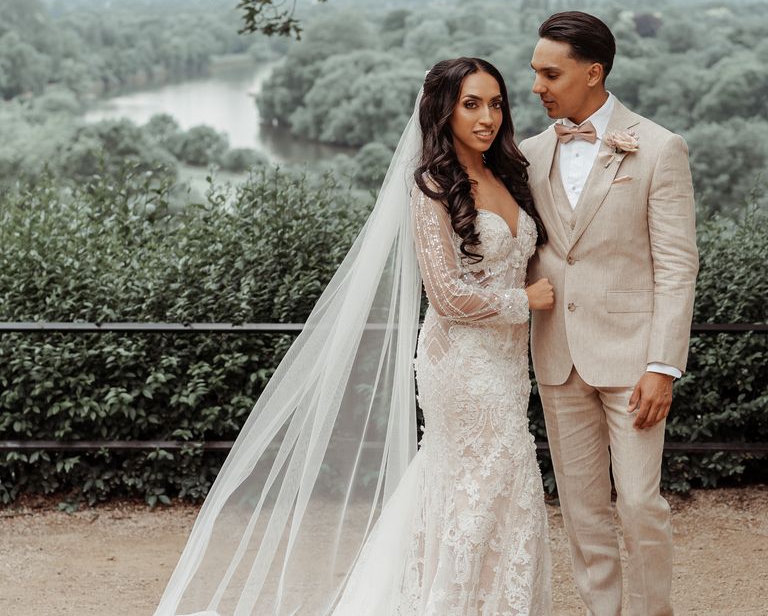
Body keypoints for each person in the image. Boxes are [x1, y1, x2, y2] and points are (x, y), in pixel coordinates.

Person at [155, 58, 554, 616]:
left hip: (509, 365)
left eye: (495, 103)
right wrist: (524, 301)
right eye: (471, 104)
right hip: (459, 363)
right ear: (443, 109)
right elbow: (444, 295)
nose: (488, 116)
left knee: (502, 483)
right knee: (482, 480)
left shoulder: (509, 174)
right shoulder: (433, 186)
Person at [521, 11, 699, 616]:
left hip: (633, 359)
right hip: (557, 355)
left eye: (551, 73)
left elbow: (677, 267)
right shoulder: (528, 154)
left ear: (593, 72)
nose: (538, 86)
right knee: (581, 505)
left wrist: (662, 365)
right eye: (535, 73)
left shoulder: (658, 147)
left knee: (641, 503)